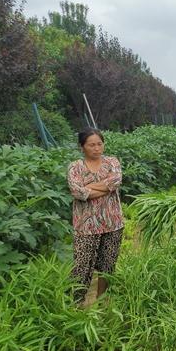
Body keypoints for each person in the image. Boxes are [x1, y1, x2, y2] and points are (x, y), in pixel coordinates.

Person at [67, 128, 124, 304]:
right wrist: (105, 187)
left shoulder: (112, 162)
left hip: (113, 223)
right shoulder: (75, 167)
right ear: (82, 147)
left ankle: (101, 302)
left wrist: (89, 187)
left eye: (99, 144)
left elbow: (116, 181)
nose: (96, 148)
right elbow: (77, 192)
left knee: (107, 266)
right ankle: (76, 306)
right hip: (86, 226)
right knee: (81, 268)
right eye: (91, 145)